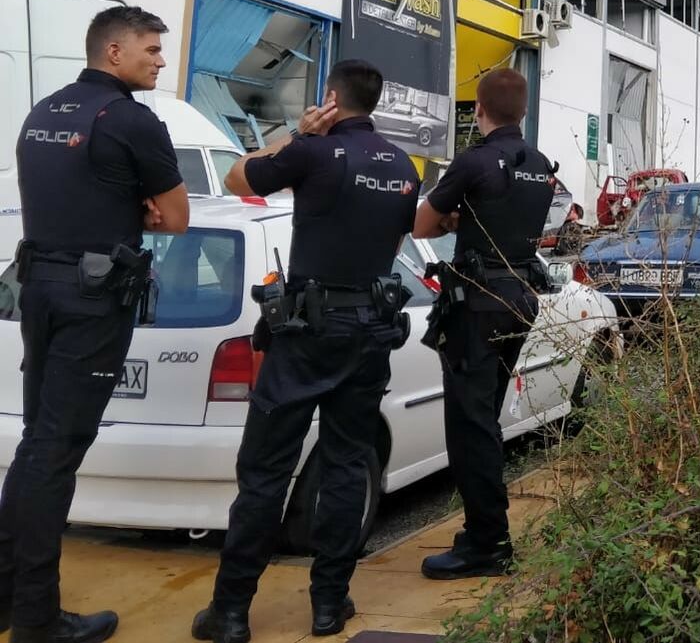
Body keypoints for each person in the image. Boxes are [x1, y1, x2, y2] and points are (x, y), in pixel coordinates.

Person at [191, 60, 419, 643]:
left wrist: (295, 134)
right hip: (369, 329)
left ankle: (232, 611)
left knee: (266, 469)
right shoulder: (402, 166)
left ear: (332, 98)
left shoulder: (313, 152)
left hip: (306, 331)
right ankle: (328, 604)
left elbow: (239, 180)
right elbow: (394, 242)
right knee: (346, 466)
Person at [0, 6, 190, 643]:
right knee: (55, 454)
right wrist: (138, 206)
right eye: (152, 49)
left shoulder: (42, 112)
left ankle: (8, 598)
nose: (161, 60)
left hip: (39, 290)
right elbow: (177, 217)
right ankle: (36, 619)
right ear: (115, 52)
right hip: (93, 299)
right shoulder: (133, 121)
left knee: (35, 447)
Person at [411, 68, 555, 579]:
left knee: (471, 428)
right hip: (519, 298)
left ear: (479, 108)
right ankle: (482, 531)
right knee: (484, 420)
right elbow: (508, 219)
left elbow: (423, 224)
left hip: (478, 303)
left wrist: (454, 218)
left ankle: (487, 543)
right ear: (523, 109)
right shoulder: (539, 164)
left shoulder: (474, 161)